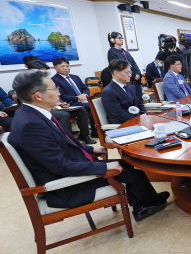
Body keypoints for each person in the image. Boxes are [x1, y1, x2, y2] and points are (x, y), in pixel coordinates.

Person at [8, 70, 169, 221]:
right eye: (54, 88)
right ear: (38, 96)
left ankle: (144, 202)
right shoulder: (30, 125)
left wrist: (90, 149)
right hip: (66, 184)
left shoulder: (32, 114)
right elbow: (59, 166)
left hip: (73, 166)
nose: (58, 92)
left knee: (127, 163)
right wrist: (103, 169)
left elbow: (65, 144)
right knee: (134, 175)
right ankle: (146, 206)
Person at [26, 59, 96, 144]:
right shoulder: (29, 85)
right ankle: (68, 141)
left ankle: (84, 135)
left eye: (45, 72)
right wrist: (55, 104)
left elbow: (56, 95)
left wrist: (60, 103)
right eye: (42, 73)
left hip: (57, 107)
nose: (44, 75)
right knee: (64, 115)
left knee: (81, 110)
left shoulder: (45, 82)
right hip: (43, 111)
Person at [50, 57, 98, 138]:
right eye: (62, 66)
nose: (66, 68)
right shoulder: (54, 80)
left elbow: (85, 88)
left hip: (83, 100)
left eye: (67, 66)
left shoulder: (75, 77)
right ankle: (94, 131)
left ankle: (96, 130)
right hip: (70, 103)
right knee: (92, 106)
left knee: (97, 104)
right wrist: (78, 98)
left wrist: (84, 95)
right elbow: (61, 95)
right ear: (55, 68)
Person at [102, 59, 146, 124]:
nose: (130, 75)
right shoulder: (108, 92)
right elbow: (119, 115)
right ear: (116, 73)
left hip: (136, 120)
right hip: (123, 125)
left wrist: (145, 117)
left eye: (130, 72)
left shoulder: (130, 87)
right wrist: (139, 120)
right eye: (127, 72)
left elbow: (139, 105)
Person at [106, 32, 143, 97]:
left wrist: (138, 73)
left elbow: (133, 64)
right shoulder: (111, 52)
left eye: (121, 38)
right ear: (112, 40)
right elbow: (118, 66)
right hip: (127, 80)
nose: (121, 39)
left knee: (139, 101)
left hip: (136, 81)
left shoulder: (125, 52)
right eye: (119, 38)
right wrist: (133, 75)